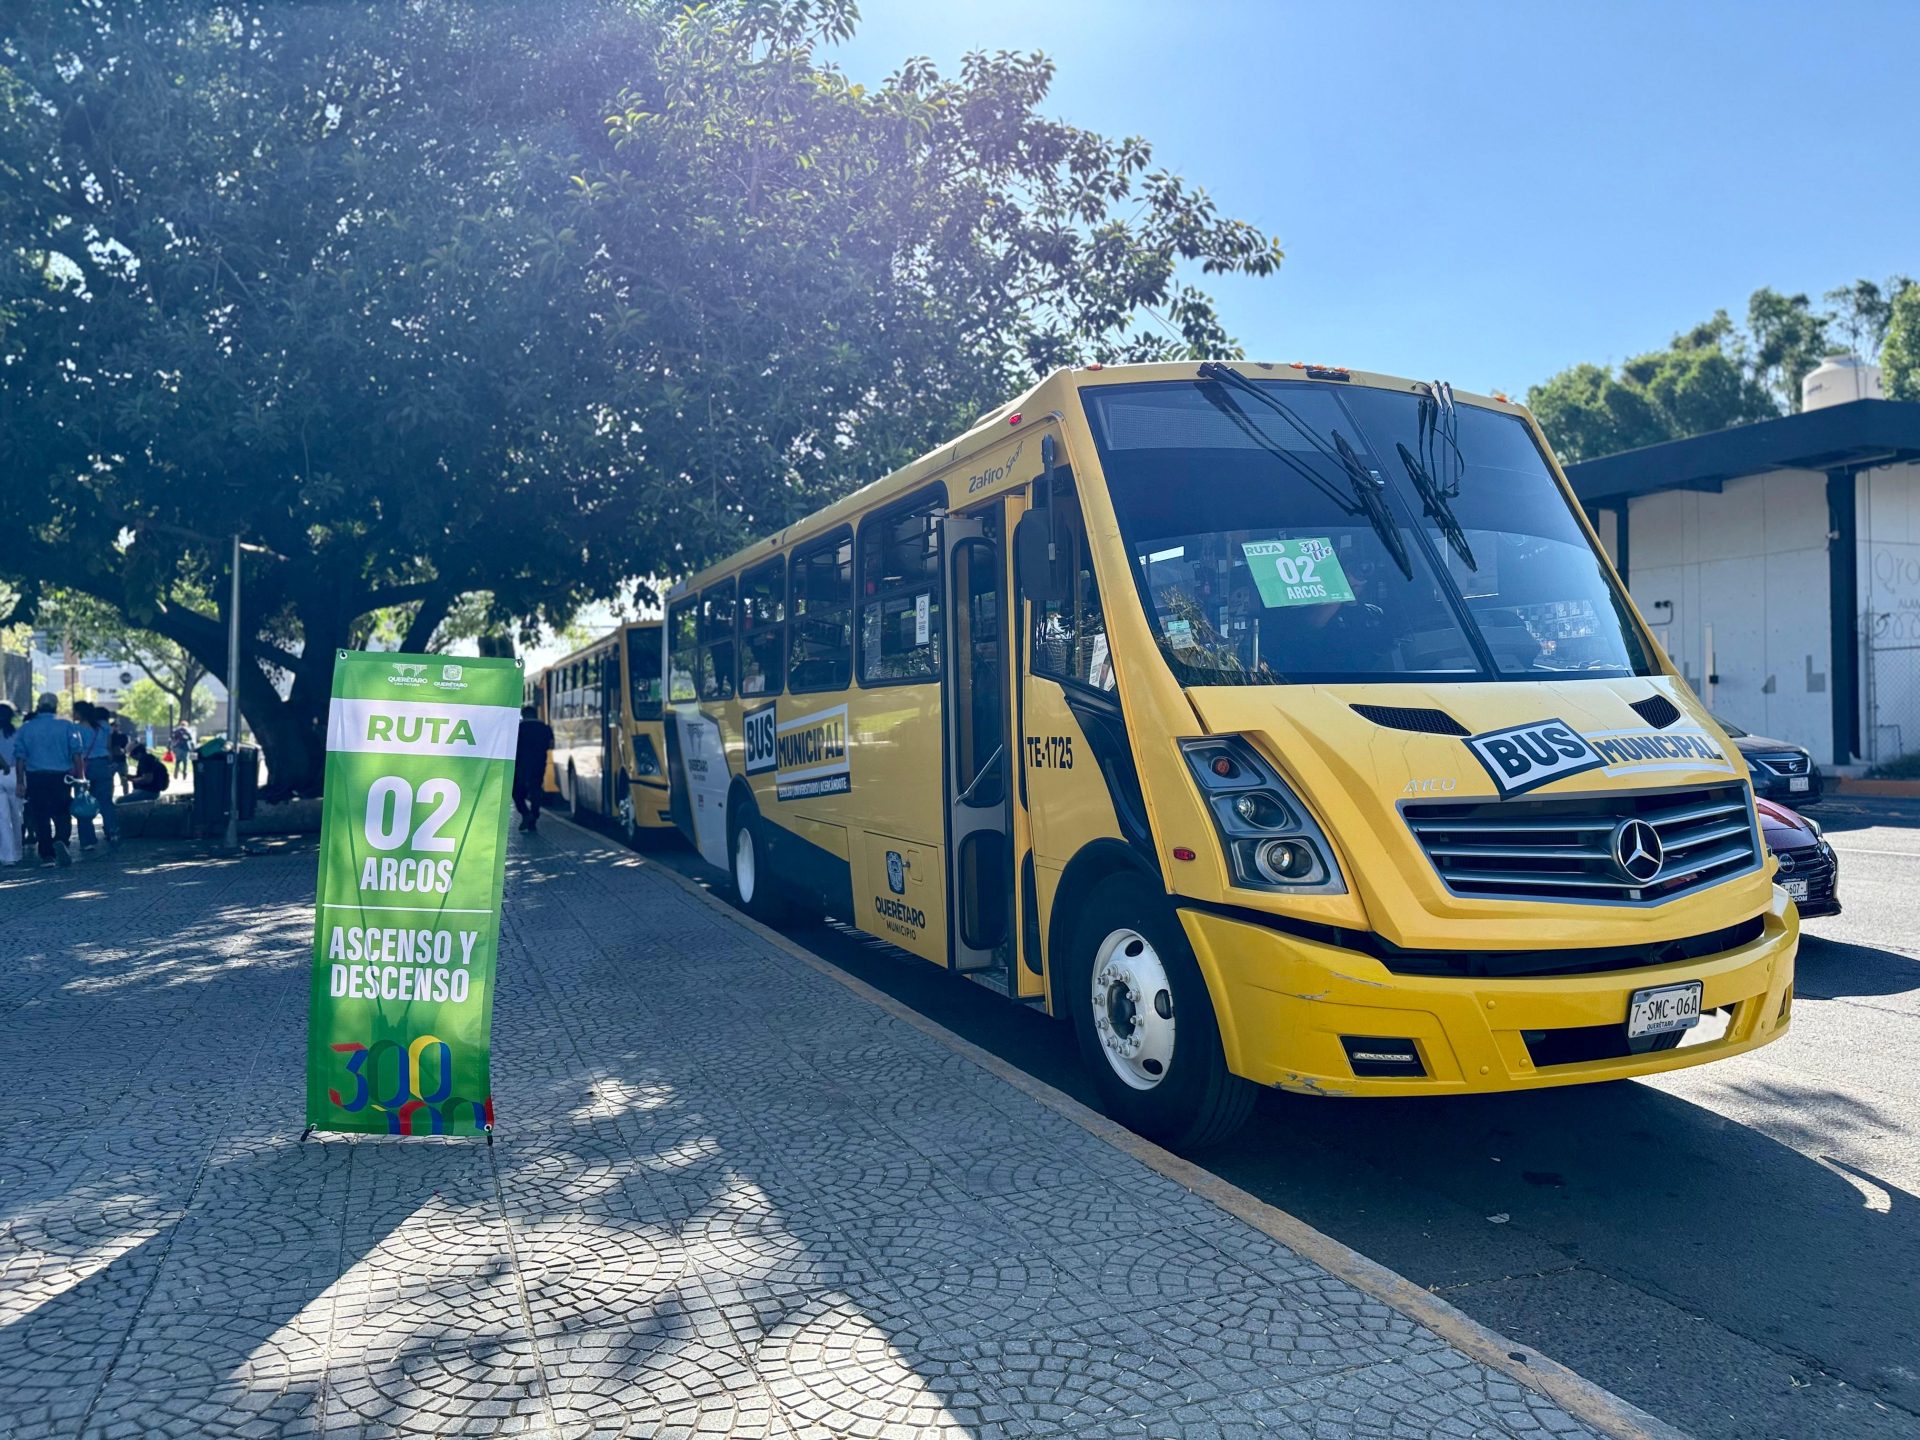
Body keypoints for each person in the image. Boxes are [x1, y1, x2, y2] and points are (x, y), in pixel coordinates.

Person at [16, 693, 82, 868]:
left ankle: (47, 854)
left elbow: (20, 757)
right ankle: (61, 840)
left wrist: (20, 782)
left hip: (36, 777)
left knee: (40, 815)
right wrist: (80, 777)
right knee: (62, 812)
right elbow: (77, 754)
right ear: (56, 707)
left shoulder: (26, 728)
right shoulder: (66, 726)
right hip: (61, 776)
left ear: (38, 706)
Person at [73, 701, 121, 854]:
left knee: (83, 802)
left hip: (83, 767)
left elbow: (75, 751)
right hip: (102, 765)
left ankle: (87, 840)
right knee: (106, 801)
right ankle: (112, 831)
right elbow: (108, 747)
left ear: (80, 713)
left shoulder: (76, 729)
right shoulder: (104, 727)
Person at [513, 704, 554, 834]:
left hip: (520, 765)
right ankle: (534, 815)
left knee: (517, 793)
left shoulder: (518, 728)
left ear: (523, 715)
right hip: (539, 763)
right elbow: (550, 745)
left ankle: (526, 814)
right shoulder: (545, 728)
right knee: (536, 789)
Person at [0, 703, 22, 867]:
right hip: (16, 773)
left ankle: (8, 855)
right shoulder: (18, 733)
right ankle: (18, 851)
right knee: (17, 815)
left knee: (2, 818)